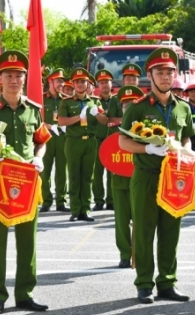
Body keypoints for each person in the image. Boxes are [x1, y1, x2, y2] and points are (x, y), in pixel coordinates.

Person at [119, 47, 195, 304]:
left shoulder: (183, 107)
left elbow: (186, 136)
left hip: (174, 177)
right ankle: (144, 284)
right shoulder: (137, 107)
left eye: (170, 72)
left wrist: (187, 152)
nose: (166, 77)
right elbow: (123, 142)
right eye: (160, 72)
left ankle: (167, 282)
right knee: (143, 232)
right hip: (146, 175)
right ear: (149, 75)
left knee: (170, 230)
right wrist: (147, 148)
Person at [0, 50, 49, 314]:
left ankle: (25, 294)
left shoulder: (35, 111)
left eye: (19, 75)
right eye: (9, 75)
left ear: (25, 78)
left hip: (28, 183)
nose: (14, 80)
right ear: (1, 79)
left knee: (27, 242)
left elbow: (41, 141)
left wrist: (39, 159)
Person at [57, 68, 108, 222]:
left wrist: (96, 114)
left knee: (88, 177)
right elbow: (61, 121)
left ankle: (85, 209)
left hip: (90, 141)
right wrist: (79, 117)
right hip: (73, 141)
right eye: (77, 82)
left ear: (88, 84)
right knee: (73, 176)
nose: (80, 84)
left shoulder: (95, 101)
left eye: (83, 81)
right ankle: (75, 209)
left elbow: (105, 120)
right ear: (73, 84)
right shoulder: (66, 102)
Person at [107, 85, 143, 269]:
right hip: (119, 179)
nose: (127, 108)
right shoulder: (114, 129)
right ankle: (124, 254)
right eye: (124, 105)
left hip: (141, 178)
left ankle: (139, 253)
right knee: (121, 220)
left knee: (141, 218)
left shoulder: (147, 130)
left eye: (132, 104)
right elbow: (106, 152)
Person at [40, 68, 69, 213]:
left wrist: (64, 126)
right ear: (50, 82)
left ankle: (61, 200)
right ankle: (46, 200)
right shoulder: (42, 99)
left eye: (62, 81)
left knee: (61, 170)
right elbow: (38, 119)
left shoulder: (66, 99)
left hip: (62, 138)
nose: (61, 84)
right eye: (58, 81)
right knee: (45, 170)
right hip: (46, 138)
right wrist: (50, 126)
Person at [92, 70, 115, 211]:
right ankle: (99, 200)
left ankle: (111, 200)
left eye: (106, 82)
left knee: (113, 172)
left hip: (113, 140)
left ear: (111, 83)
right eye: (101, 83)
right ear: (98, 86)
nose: (104, 85)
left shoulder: (117, 101)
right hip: (98, 140)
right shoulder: (94, 101)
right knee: (97, 172)